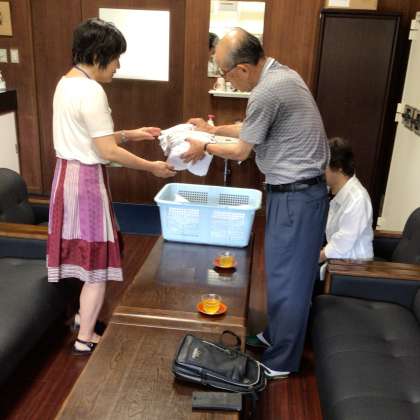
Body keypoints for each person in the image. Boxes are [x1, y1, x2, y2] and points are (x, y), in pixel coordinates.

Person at [182, 28, 329, 378]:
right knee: (279, 273)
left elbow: (240, 151)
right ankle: (275, 335)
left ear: (243, 69)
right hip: (291, 193)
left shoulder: (267, 90)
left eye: (225, 73)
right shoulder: (280, 75)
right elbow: (248, 128)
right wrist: (212, 129)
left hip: (297, 196)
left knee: (290, 279)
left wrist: (204, 146)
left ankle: (282, 361)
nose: (226, 81)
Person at [47, 18, 175, 355]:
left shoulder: (67, 82)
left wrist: (133, 134)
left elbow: (91, 138)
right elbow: (106, 150)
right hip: (86, 183)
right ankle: (85, 337)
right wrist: (152, 167)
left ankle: (81, 318)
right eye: (116, 58)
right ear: (98, 55)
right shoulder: (91, 91)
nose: (118, 66)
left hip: (65, 178)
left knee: (84, 257)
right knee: (97, 266)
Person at [320, 137, 373, 264]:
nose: (320, 171)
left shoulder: (357, 200)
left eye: (324, 166)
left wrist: (312, 259)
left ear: (339, 167)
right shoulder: (338, 191)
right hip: (339, 260)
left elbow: (341, 244)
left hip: (353, 266)